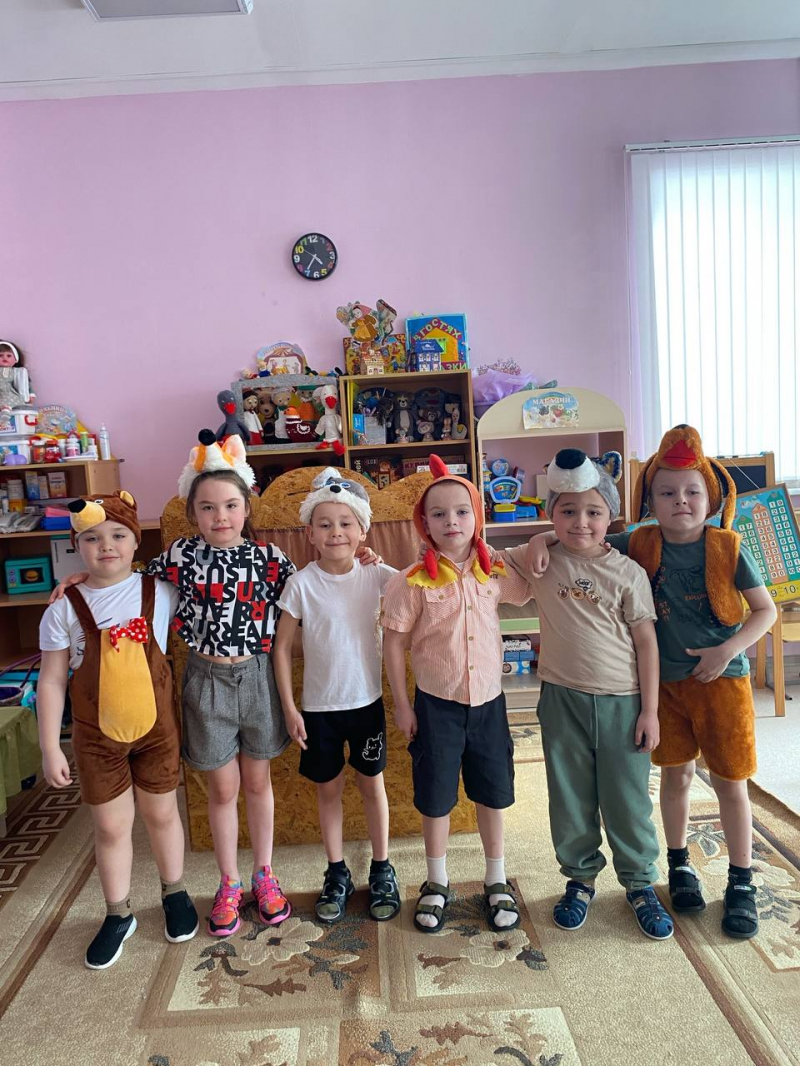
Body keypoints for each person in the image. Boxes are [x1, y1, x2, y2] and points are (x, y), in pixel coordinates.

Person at [530, 426, 777, 940]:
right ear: (649, 500)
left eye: (692, 491)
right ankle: (678, 865)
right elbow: (582, 534)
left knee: (729, 781)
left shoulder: (728, 547)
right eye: (667, 492)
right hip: (661, 687)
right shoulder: (637, 542)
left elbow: (765, 611)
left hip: (721, 683)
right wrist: (538, 537)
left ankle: (741, 879)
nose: (680, 501)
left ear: (712, 495)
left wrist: (728, 650)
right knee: (674, 777)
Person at [504, 448, 673, 940]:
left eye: (594, 512)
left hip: (623, 702)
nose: (581, 522)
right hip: (562, 699)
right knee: (570, 797)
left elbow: (647, 642)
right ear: (552, 512)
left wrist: (650, 711)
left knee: (627, 799)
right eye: (568, 511)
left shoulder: (627, 572)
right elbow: (484, 557)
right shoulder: (540, 560)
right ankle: (579, 879)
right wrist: (538, 539)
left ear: (609, 517)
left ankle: (640, 884)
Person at [38, 491, 199, 969]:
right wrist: (50, 746)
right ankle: (118, 913)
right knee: (110, 826)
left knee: (162, 815)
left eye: (117, 535)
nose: (106, 546)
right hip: (95, 739)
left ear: (135, 543)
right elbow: (51, 680)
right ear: (76, 546)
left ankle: (174, 892)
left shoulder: (162, 591)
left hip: (157, 732)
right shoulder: (63, 608)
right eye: (91, 538)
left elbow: (215, 562)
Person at [381, 455, 533, 934]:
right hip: (436, 706)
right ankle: (437, 880)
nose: (452, 521)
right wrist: (402, 705)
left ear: (477, 517)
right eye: (440, 513)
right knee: (436, 796)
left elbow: (531, 583)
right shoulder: (411, 580)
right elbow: (392, 642)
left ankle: (496, 878)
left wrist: (542, 543)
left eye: (462, 511)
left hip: (489, 703)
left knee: (492, 792)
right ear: (424, 523)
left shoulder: (495, 570)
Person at [273, 469, 400, 924]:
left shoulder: (376, 574)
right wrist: (290, 708)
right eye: (324, 524)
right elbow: (281, 648)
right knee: (328, 791)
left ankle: (382, 867)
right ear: (309, 533)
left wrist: (382, 561)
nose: (336, 532)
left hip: (366, 706)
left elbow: (419, 587)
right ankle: (336, 870)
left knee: (372, 785)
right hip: (318, 711)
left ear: (363, 530)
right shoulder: (301, 584)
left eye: (346, 523)